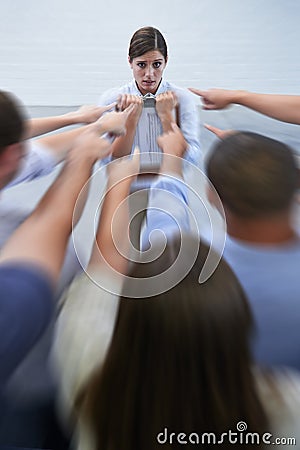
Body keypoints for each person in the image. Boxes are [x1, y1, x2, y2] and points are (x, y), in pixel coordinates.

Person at [53, 127, 300, 450]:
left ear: (212, 196)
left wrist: (160, 164)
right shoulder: (284, 404)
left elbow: (113, 268)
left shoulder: (92, 378)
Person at [0, 90, 132, 449]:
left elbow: (35, 156)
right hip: (24, 406)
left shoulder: (12, 159)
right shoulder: (15, 296)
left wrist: (85, 125)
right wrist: (110, 176)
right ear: (10, 155)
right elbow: (49, 229)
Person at [142, 129, 300, 371]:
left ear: (211, 195)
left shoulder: (189, 262)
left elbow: (163, 220)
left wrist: (172, 160)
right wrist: (265, 160)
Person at [99, 26, 201, 249]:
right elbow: (106, 161)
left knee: (170, 256)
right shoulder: (113, 99)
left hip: (167, 187)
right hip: (127, 190)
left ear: (166, 61)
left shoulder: (182, 99)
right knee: (123, 257)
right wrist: (129, 122)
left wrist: (167, 118)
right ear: (130, 62)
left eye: (156, 64)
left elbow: (192, 158)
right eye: (141, 65)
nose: (149, 74)